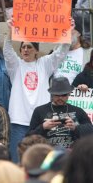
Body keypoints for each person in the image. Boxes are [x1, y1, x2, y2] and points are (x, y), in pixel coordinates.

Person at [4, 18, 73, 163]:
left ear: (36, 51)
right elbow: (8, 51)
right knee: (17, 160)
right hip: (18, 121)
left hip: (41, 121)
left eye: (29, 47)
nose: (25, 50)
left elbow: (61, 52)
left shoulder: (44, 64)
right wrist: (10, 32)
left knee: (40, 160)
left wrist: (69, 32)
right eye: (23, 47)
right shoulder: (16, 66)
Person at [27, 77, 93, 148]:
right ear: (52, 94)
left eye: (64, 95)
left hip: (72, 153)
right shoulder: (39, 110)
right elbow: (28, 137)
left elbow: (90, 131)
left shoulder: (78, 111)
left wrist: (75, 128)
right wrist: (43, 127)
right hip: (47, 152)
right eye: (57, 95)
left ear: (68, 94)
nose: (60, 98)